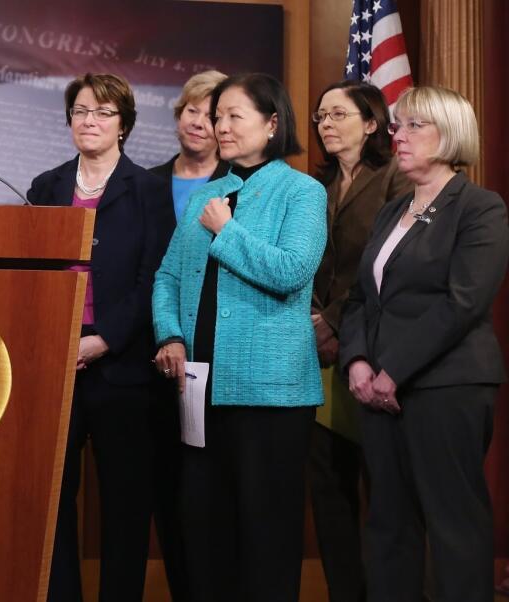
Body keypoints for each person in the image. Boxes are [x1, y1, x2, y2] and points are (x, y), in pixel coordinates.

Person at [151, 73, 327, 602]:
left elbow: (292, 271)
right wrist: (171, 336)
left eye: (234, 116)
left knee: (265, 535)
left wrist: (227, 231)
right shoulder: (209, 192)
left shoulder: (302, 191)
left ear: (272, 124)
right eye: (216, 115)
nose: (219, 126)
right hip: (200, 389)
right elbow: (167, 277)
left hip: (270, 394)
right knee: (205, 529)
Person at [339, 85, 508, 602]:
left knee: (453, 523)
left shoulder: (479, 207)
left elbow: (463, 302)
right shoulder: (392, 211)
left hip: (447, 384)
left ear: (450, 133)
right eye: (397, 126)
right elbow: (361, 300)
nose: (399, 136)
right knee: (389, 522)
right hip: (377, 391)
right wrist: (359, 362)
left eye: (414, 125)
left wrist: (394, 369)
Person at [28, 73, 178, 602]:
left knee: (126, 506)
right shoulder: (45, 187)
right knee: (51, 503)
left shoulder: (150, 191)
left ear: (125, 126)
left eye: (103, 112)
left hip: (124, 369)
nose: (89, 121)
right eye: (80, 111)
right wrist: (57, 340)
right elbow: (31, 277)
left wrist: (104, 339)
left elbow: (153, 278)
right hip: (56, 364)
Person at [306, 80, 410, 602]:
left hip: (377, 350)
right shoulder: (315, 188)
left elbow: (388, 267)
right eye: (320, 115)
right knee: (328, 487)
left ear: (371, 123)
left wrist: (337, 323)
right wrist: (313, 317)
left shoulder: (396, 178)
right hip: (320, 354)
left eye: (338, 114)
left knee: (387, 490)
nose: (325, 123)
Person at [151, 70, 230, 223]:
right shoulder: (148, 181)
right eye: (192, 111)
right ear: (179, 114)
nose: (198, 123)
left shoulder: (236, 183)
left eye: (211, 117)